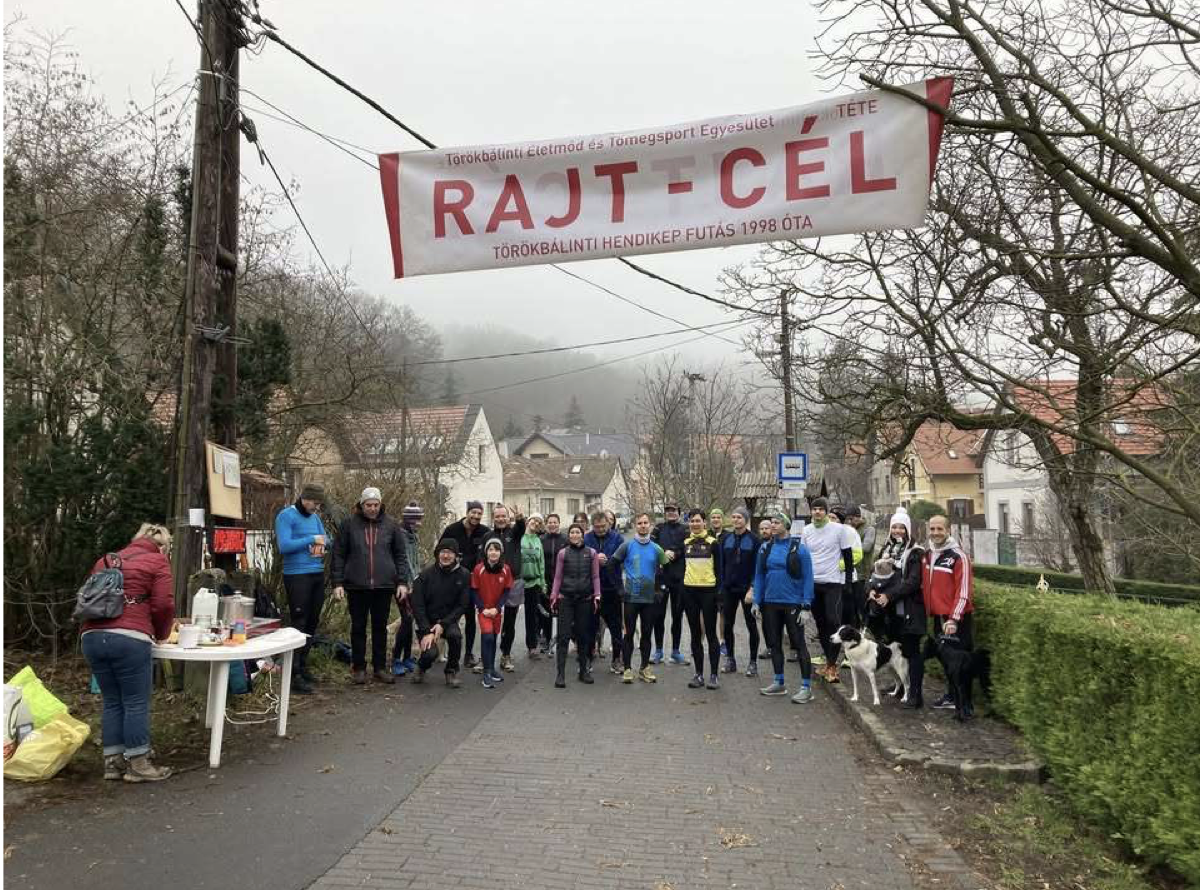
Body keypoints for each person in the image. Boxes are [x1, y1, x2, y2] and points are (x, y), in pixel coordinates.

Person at [81, 523, 175, 782]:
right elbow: (163, 605)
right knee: (135, 702)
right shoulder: (157, 562)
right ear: (163, 546)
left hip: (91, 636)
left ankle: (113, 763)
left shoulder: (106, 560)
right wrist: (161, 634)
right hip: (130, 638)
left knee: (112, 700)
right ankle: (139, 763)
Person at [332, 487, 411, 685]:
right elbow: (339, 555)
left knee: (379, 628)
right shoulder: (349, 525)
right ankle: (358, 667)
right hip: (356, 585)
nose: (373, 508)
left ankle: (379, 667)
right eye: (369, 505)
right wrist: (337, 582)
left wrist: (402, 582)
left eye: (376, 505)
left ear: (380, 504)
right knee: (358, 627)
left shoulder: (391, 525)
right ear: (361, 505)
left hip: (384, 585)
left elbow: (401, 556)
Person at [753, 510, 815, 702]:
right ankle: (779, 682)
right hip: (771, 602)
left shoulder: (799, 548)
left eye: (777, 522)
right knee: (774, 643)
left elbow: (808, 577)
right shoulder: (765, 548)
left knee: (799, 644)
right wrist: (756, 600)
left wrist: (806, 605)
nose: (773, 525)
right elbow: (759, 576)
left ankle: (806, 687)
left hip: (793, 602)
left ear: (786, 526)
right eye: (771, 522)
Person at [274, 482, 330, 694]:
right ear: (305, 498)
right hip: (296, 575)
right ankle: (293, 672)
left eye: (319, 503)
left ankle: (303, 666)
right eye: (314, 502)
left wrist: (322, 545)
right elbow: (284, 546)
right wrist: (310, 539)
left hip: (316, 571)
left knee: (312, 621)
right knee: (299, 620)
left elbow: (327, 539)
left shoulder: (315, 518)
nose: (316, 507)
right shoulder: (286, 516)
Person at [921, 514, 975, 710]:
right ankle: (952, 697)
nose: (935, 533)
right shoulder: (927, 554)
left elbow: (964, 591)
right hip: (938, 618)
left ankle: (965, 706)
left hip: (955, 620)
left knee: (960, 664)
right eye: (932, 529)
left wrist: (953, 619)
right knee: (946, 662)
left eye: (939, 529)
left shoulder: (958, 556)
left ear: (948, 530)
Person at [610, 512, 668, 684]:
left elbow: (665, 570)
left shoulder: (657, 548)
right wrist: (619, 588)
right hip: (631, 598)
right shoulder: (627, 546)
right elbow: (611, 565)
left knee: (646, 634)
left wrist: (660, 589)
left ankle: (644, 668)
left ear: (650, 525)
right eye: (640, 523)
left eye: (646, 523)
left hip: (649, 599)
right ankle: (627, 669)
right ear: (636, 525)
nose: (643, 526)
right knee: (628, 634)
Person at [801, 497, 854, 682]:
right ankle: (829, 663)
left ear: (826, 511)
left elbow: (848, 556)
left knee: (834, 621)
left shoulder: (839, 530)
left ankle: (832, 665)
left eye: (821, 509)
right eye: (814, 509)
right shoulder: (807, 530)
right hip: (813, 583)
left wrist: (847, 581)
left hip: (833, 583)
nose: (817, 512)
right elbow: (804, 557)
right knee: (821, 625)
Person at [411, 539, 471, 687]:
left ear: (456, 556)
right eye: (443, 552)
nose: (446, 556)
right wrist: (426, 631)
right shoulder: (425, 575)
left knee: (455, 636)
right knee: (431, 653)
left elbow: (462, 605)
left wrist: (443, 624)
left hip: (448, 620)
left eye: (450, 553)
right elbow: (417, 606)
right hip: (426, 622)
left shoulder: (464, 575)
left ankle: (451, 671)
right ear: (437, 554)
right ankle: (421, 668)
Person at [440, 501, 491, 670]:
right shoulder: (452, 530)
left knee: (470, 618)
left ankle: (468, 654)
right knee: (446, 615)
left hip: (472, 583)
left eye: (479, 514)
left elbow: (490, 553)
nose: (476, 516)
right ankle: (440, 652)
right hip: (451, 581)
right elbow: (441, 552)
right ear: (467, 512)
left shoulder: (484, 532)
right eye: (473, 513)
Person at [550, 523, 601, 687]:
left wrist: (597, 594)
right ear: (569, 535)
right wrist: (554, 596)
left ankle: (583, 671)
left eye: (577, 532)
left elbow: (595, 577)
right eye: (571, 532)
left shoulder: (591, 553)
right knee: (563, 637)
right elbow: (557, 577)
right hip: (566, 599)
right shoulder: (563, 553)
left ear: (582, 534)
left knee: (583, 636)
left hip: (585, 600)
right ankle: (560, 675)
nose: (574, 535)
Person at [681, 508, 722, 690]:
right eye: (692, 521)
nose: (695, 524)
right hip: (690, 592)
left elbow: (721, 571)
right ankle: (698, 674)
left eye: (698, 521)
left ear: (704, 523)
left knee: (711, 634)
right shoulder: (685, 542)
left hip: (709, 592)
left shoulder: (713, 543)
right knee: (695, 634)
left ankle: (713, 675)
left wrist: (719, 595)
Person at [719, 507, 761, 676]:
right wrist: (721, 585)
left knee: (751, 625)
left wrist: (753, 587)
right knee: (728, 625)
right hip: (729, 588)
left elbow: (758, 567)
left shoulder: (755, 540)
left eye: (739, 517)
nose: (736, 520)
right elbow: (720, 564)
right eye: (734, 517)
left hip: (747, 590)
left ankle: (752, 662)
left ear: (746, 520)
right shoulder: (726, 539)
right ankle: (730, 659)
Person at [583, 511, 625, 675]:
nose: (600, 529)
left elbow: (623, 561)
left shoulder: (617, 539)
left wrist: (608, 560)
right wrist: (594, 560)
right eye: (597, 527)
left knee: (615, 627)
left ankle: (616, 659)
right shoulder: (587, 539)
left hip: (612, 588)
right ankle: (587, 659)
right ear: (593, 525)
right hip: (592, 590)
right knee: (590, 627)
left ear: (608, 524)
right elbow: (580, 558)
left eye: (603, 526)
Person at [489, 504, 527, 673]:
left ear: (507, 517)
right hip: (492, 581)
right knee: (491, 619)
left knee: (510, 621)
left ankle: (506, 654)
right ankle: (486, 656)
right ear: (493, 518)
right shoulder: (488, 536)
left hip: (514, 582)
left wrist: (519, 518)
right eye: (497, 516)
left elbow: (521, 527)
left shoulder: (515, 533)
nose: (500, 519)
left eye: (503, 516)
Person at [471, 538, 513, 688]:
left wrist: (498, 607)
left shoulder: (506, 569)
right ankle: (486, 673)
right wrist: (483, 608)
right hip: (484, 610)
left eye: (496, 549)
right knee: (487, 637)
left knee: (494, 638)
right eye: (490, 549)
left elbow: (507, 591)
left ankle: (492, 668)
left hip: (496, 611)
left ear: (501, 552)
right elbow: (474, 591)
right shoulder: (478, 569)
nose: (493, 552)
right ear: (486, 552)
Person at [651, 504, 688, 665]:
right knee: (658, 616)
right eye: (668, 511)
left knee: (677, 616)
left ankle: (675, 651)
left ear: (679, 513)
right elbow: (651, 544)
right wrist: (663, 553)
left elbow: (686, 545)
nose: (671, 513)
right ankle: (658, 651)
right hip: (661, 579)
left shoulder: (685, 529)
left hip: (679, 579)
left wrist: (675, 552)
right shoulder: (658, 528)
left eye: (674, 511)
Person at [392, 501, 424, 676]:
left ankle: (407, 657)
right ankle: (396, 659)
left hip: (413, 583)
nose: (419, 523)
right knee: (406, 619)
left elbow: (416, 561)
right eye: (416, 520)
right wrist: (409, 583)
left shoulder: (413, 535)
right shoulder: (401, 536)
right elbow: (403, 561)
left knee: (409, 620)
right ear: (409, 520)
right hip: (402, 585)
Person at [832, 505, 866, 631]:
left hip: (848, 579)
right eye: (829, 517)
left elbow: (857, 555)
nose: (831, 520)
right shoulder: (826, 532)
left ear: (841, 519)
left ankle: (854, 635)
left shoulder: (850, 532)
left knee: (849, 611)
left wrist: (837, 565)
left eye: (834, 518)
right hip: (830, 580)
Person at [520, 513, 547, 662]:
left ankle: (532, 646)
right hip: (521, 581)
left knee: (533, 616)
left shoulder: (538, 541)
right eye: (534, 520)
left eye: (539, 522)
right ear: (528, 521)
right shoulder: (520, 538)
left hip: (534, 582)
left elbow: (541, 563)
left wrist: (543, 583)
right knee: (510, 615)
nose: (535, 523)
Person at [540, 513, 568, 653]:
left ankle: (561, 640)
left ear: (559, 523)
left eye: (555, 522)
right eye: (549, 522)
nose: (552, 524)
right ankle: (546, 638)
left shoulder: (565, 539)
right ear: (546, 524)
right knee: (546, 612)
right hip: (545, 580)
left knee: (562, 612)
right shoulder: (541, 539)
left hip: (561, 581)